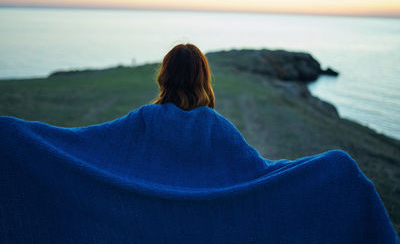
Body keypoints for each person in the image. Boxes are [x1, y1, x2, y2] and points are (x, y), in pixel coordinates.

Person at [0, 44, 398, 243]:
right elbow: (258, 177)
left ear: (164, 77)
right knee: (339, 163)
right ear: (202, 80)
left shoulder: (143, 119)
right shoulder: (215, 127)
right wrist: (332, 168)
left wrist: (15, 136)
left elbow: (83, 149)